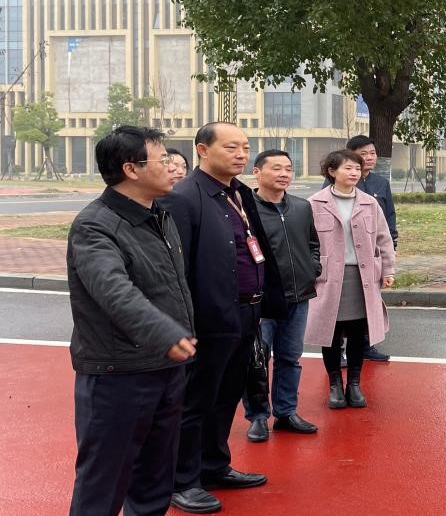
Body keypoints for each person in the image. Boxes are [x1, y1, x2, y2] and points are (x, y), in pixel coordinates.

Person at [68, 126, 197, 516]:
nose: (174, 167)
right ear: (131, 169)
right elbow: (113, 290)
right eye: (163, 160)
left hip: (166, 366)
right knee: (103, 483)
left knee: (155, 480)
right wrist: (165, 333)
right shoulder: (95, 225)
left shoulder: (159, 215)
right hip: (119, 373)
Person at [163, 122, 284, 514]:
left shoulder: (237, 192)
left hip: (246, 311)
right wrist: (183, 323)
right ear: (202, 150)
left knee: (226, 395)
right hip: (208, 318)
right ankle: (183, 481)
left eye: (245, 147)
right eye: (231, 147)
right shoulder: (185, 197)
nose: (241, 154)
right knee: (196, 401)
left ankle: (214, 466)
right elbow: (176, 269)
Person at [242, 149, 322, 442]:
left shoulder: (301, 207)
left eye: (288, 168)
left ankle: (286, 412)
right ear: (257, 172)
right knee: (256, 360)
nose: (284, 174)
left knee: (290, 357)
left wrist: (312, 268)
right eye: (276, 168)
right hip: (261, 300)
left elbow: (313, 244)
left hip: (298, 296)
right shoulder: (245, 210)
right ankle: (258, 416)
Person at [307, 150, 395, 409]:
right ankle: (335, 384)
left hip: (361, 276)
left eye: (357, 168)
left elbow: (384, 239)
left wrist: (388, 270)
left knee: (358, 332)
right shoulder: (314, 203)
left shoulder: (369, 203)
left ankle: (354, 384)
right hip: (328, 278)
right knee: (331, 332)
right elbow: (305, 242)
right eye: (348, 168)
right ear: (332, 171)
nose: (354, 172)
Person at [346, 135, 396, 362]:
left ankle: (367, 345)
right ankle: (340, 348)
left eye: (372, 153)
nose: (369, 158)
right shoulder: (340, 181)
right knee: (346, 303)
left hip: (373, 252)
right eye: (363, 153)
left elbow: (389, 216)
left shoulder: (381, 183)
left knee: (371, 299)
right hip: (349, 253)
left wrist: (392, 246)